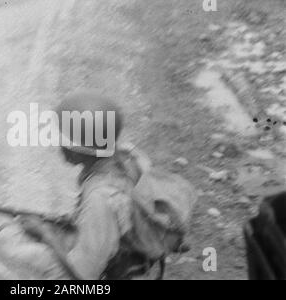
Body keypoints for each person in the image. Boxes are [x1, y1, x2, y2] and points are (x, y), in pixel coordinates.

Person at [18, 91, 196, 280]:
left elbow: (82, 275)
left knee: (13, 254)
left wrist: (46, 234)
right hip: (125, 250)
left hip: (107, 271)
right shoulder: (127, 157)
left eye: (64, 142)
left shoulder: (100, 197)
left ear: (81, 149)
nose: (59, 146)